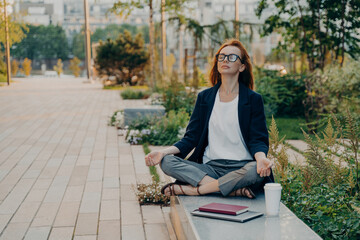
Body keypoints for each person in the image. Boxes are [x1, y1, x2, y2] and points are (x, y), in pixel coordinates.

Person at [145, 39, 273, 198]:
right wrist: (162, 152)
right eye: (222, 56)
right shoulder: (205, 98)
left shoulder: (252, 99)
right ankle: (230, 189)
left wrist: (261, 159)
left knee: (254, 171)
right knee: (167, 162)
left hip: (242, 167)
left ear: (242, 66)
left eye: (232, 57)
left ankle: (197, 190)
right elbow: (191, 138)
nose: (225, 60)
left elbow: (258, 139)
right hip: (210, 168)